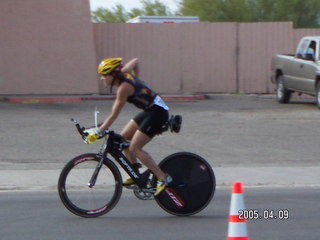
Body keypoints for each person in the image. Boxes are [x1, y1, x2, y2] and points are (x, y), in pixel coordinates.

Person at [85, 57, 171, 196]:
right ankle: (135, 174)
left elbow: (113, 115)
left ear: (113, 75)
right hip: (150, 110)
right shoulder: (124, 72)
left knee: (135, 148)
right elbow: (136, 60)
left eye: (104, 76)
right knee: (121, 139)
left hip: (158, 113)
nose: (102, 79)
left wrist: (98, 132)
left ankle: (163, 178)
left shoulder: (123, 88)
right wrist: (138, 80)